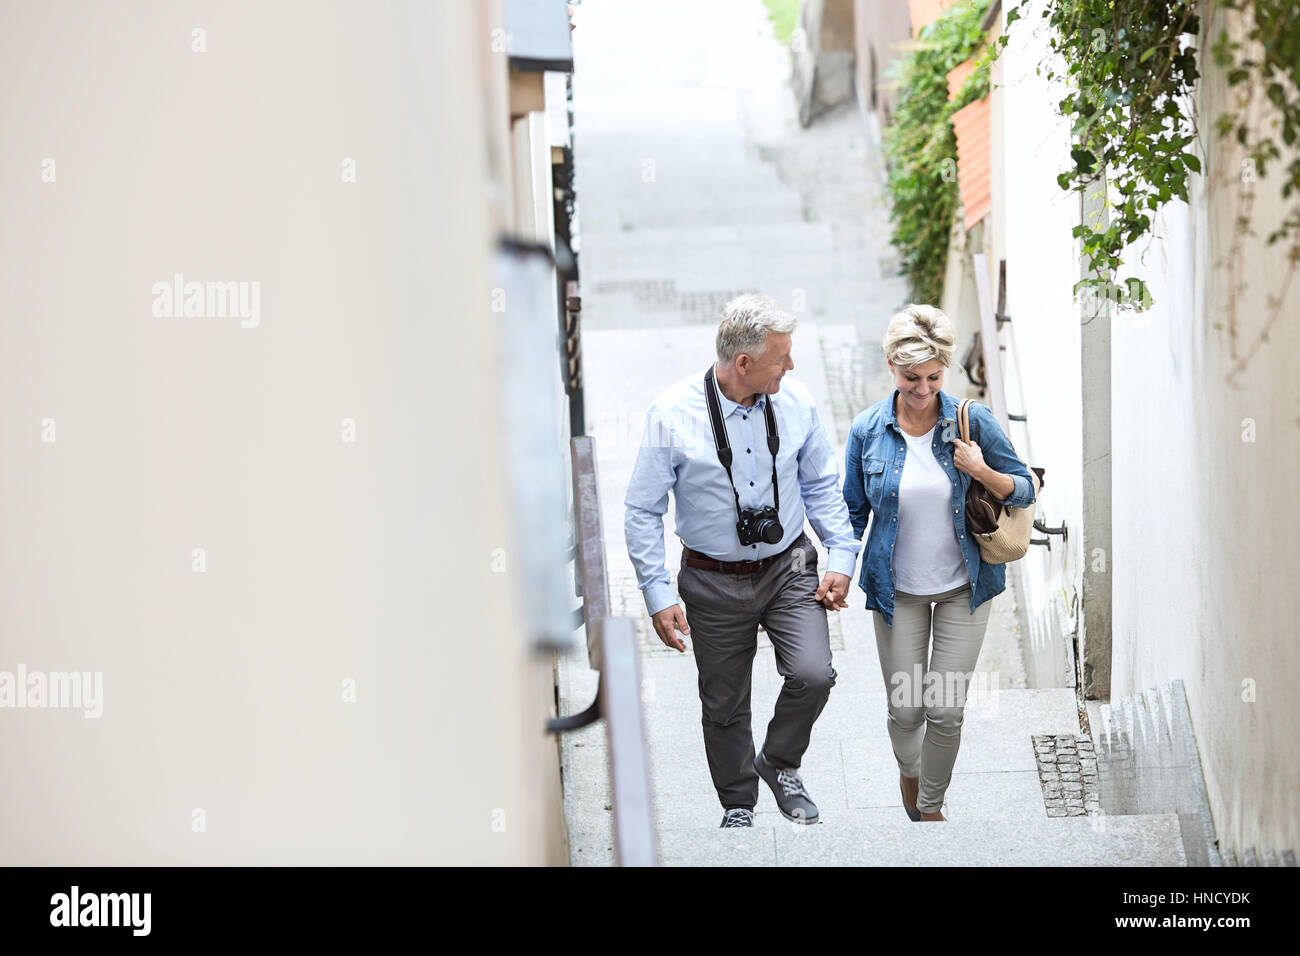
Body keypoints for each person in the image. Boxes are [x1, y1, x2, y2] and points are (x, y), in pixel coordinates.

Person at [624, 293, 860, 828]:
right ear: (744, 363)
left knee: (813, 674)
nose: (792, 365)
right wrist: (658, 595)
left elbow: (822, 484)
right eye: (782, 356)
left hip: (789, 567)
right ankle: (738, 805)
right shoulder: (671, 414)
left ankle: (778, 762)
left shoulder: (796, 402)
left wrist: (841, 557)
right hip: (710, 578)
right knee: (724, 702)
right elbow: (642, 510)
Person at [842, 304, 1036, 822]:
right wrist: (836, 570)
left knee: (945, 710)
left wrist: (981, 470)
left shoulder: (973, 421)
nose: (923, 389)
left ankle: (930, 808)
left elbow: (1025, 486)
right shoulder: (867, 432)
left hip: (962, 590)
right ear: (891, 366)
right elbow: (852, 512)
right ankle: (911, 771)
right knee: (906, 709)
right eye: (911, 378)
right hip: (896, 591)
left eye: (933, 377)